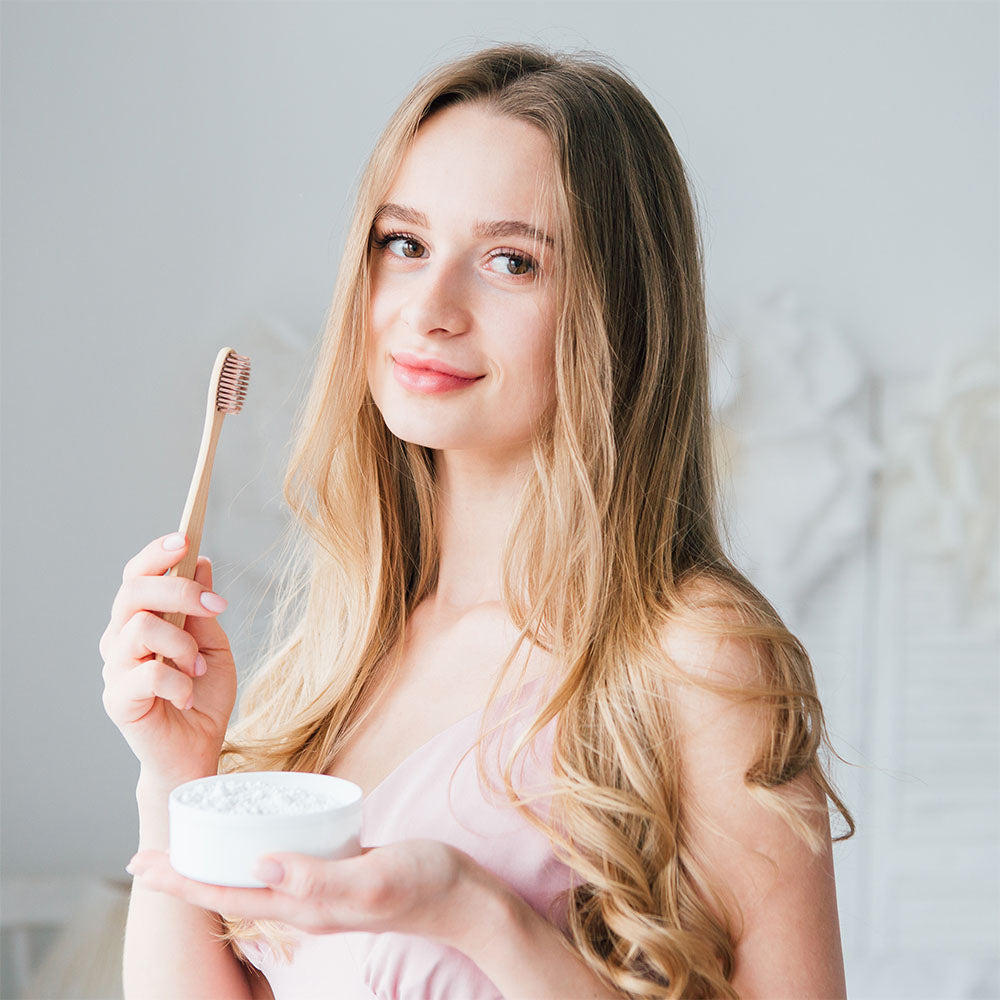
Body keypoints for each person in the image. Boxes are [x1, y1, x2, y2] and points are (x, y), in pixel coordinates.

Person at [100, 43, 854, 999]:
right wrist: (175, 773)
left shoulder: (694, 662)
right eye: (403, 243)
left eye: (510, 261)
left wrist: (476, 916)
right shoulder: (349, 654)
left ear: (616, 311)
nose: (429, 308)